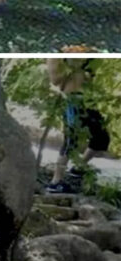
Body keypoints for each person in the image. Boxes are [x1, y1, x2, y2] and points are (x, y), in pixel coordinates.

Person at [46, 58, 109, 193]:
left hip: (88, 101)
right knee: (71, 141)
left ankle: (79, 168)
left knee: (102, 137)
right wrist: (74, 67)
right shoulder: (55, 58)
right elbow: (55, 80)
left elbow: (91, 77)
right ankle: (55, 182)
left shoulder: (88, 59)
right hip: (71, 101)